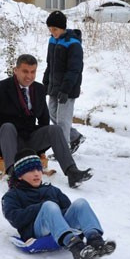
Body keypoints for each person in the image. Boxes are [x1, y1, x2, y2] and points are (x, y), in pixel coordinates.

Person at [0, 54, 93, 188]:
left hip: (28, 138)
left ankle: (72, 172)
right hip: (6, 139)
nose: (29, 76)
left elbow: (44, 119)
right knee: (8, 127)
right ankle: (13, 175)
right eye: (25, 71)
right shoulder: (0, 88)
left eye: (33, 72)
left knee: (55, 129)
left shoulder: (38, 89)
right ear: (16, 70)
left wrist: (41, 148)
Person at [1, 149, 115, 259]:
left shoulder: (52, 190)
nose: (36, 173)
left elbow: (69, 211)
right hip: (37, 231)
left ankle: (96, 241)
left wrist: (56, 214)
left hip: (60, 228)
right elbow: (14, 218)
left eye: (38, 169)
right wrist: (41, 208)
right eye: (30, 170)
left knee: (81, 203)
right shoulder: (12, 195)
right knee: (48, 206)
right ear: (20, 176)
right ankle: (75, 247)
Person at [42, 10, 86, 154]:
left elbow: (74, 69)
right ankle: (74, 137)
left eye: (55, 29)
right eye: (50, 29)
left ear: (62, 27)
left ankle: (63, 150)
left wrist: (66, 89)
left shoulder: (73, 43)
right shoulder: (52, 40)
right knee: (52, 113)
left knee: (62, 120)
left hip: (67, 88)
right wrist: (46, 82)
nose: (52, 32)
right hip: (55, 87)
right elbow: (50, 64)